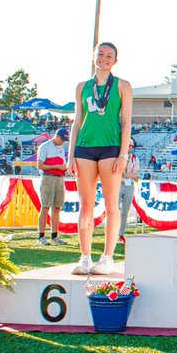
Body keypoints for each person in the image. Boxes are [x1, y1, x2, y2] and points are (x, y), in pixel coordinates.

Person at [68, 42, 133, 275]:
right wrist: (71, 154)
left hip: (111, 147)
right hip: (85, 147)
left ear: (115, 60)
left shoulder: (122, 86)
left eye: (109, 56)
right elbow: (77, 120)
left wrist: (123, 154)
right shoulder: (82, 87)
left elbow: (126, 121)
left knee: (111, 202)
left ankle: (107, 257)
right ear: (94, 56)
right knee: (86, 203)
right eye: (101, 54)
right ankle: (85, 257)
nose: (104, 58)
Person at [36, 127, 70, 246]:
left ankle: (54, 236)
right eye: (62, 139)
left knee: (57, 207)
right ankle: (41, 236)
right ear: (57, 136)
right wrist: (56, 167)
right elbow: (40, 165)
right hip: (48, 177)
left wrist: (64, 168)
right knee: (45, 207)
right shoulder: (45, 147)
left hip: (60, 178)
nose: (63, 142)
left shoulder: (62, 148)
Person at [117, 138, 140, 244]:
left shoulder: (135, 158)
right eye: (129, 145)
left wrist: (124, 174)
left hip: (129, 185)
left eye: (131, 146)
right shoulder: (118, 157)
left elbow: (135, 175)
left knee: (125, 211)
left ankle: (121, 234)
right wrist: (127, 175)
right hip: (118, 184)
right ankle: (113, 233)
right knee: (115, 209)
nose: (130, 148)